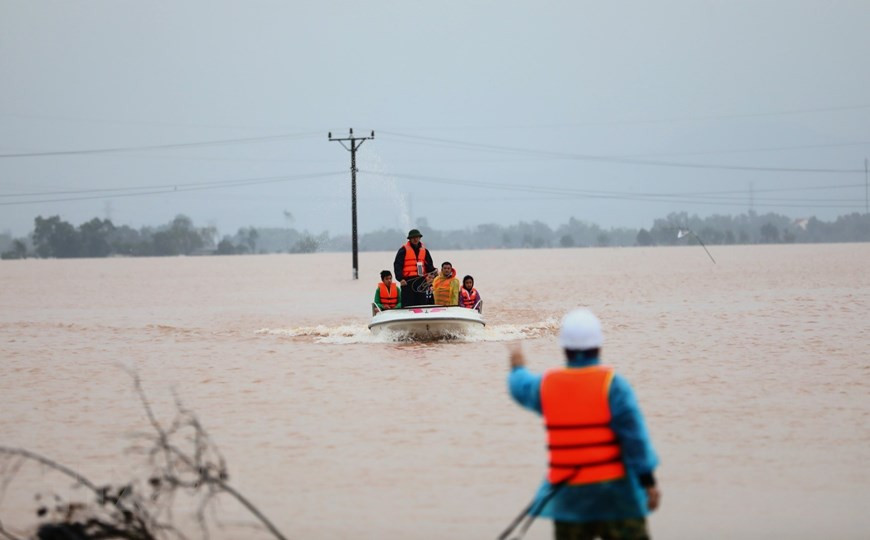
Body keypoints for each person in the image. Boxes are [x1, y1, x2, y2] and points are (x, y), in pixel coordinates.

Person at [505, 308, 660, 540]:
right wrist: (648, 481)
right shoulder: (613, 385)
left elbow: (520, 387)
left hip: (569, 500)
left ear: (564, 348)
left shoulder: (548, 385)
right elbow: (635, 439)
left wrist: (517, 366)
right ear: (599, 346)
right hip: (616, 498)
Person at [393, 229, 435, 307]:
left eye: (417, 237)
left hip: (421, 281)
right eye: (413, 238)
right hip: (407, 281)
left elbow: (429, 266)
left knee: (422, 303)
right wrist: (401, 279)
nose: (415, 239)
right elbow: (397, 265)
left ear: (420, 238)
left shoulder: (425, 251)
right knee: (408, 304)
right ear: (409, 239)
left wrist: (434, 272)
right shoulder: (403, 250)